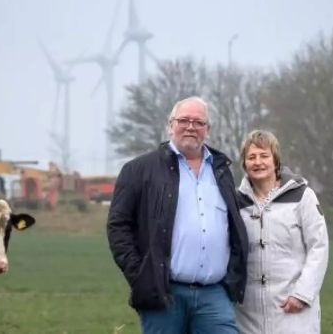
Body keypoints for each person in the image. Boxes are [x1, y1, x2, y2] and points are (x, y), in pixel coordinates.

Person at [107, 96, 249, 334]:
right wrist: (141, 275)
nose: (191, 127)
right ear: (170, 125)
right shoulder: (139, 170)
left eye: (198, 122)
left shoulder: (221, 171)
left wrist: (232, 279)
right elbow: (118, 226)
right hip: (164, 293)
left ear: (208, 129)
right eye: (183, 120)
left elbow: (234, 227)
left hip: (214, 294)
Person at [235, 129, 329, 334]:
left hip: (294, 309)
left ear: (275, 160)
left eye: (264, 156)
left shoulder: (303, 196)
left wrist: (303, 294)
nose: (258, 162)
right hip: (247, 314)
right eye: (251, 157)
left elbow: (319, 247)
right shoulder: (235, 202)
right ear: (244, 164)